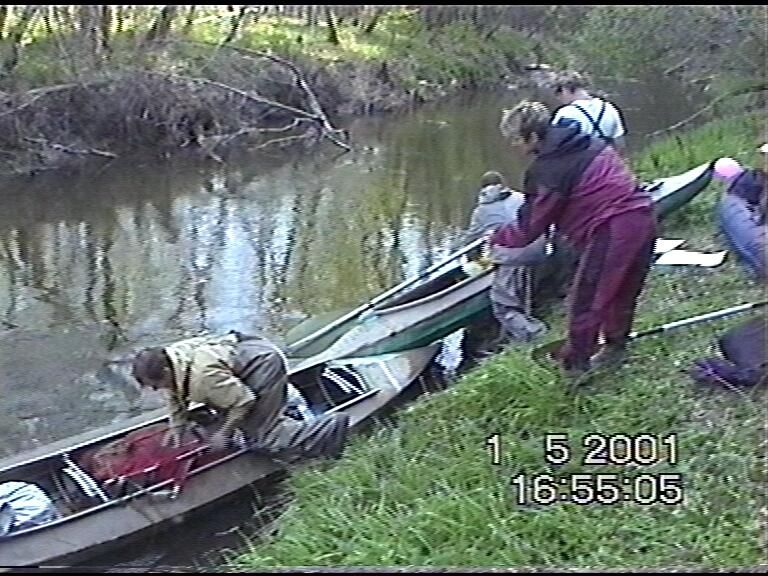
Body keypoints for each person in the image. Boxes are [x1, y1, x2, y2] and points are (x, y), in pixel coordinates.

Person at [491, 100, 657, 385]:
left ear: (533, 137)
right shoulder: (588, 142)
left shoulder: (548, 170)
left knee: (586, 301)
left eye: (516, 139)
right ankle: (615, 347)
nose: (513, 146)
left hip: (612, 228)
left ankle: (575, 370)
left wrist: (496, 238)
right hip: (644, 216)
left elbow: (530, 227)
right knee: (622, 291)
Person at [132, 331, 349, 461]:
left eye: (156, 385)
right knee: (226, 415)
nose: (156, 390)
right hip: (243, 354)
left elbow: (244, 401)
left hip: (263, 364)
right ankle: (280, 412)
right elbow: (174, 394)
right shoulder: (171, 357)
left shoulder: (202, 378)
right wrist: (177, 428)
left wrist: (224, 433)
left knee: (262, 438)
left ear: (166, 372)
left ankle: (330, 425)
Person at [462, 170, 549, 345]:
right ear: (503, 184)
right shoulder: (520, 197)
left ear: (482, 188)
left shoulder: (481, 211)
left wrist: (471, 258)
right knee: (526, 291)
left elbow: (472, 239)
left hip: (511, 256)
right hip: (540, 250)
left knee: (503, 305)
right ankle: (521, 332)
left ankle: (536, 337)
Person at [548, 70, 627, 155]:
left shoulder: (565, 113)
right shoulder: (610, 108)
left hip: (578, 161)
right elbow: (620, 144)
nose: (559, 99)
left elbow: (554, 145)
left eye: (557, 94)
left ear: (564, 90)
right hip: (604, 160)